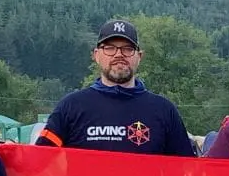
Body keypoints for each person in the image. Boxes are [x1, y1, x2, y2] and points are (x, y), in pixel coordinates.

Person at [36, 19, 196, 155]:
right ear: (96, 55)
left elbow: (186, 171)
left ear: (139, 56)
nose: (118, 54)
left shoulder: (164, 110)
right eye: (110, 48)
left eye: (127, 49)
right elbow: (39, 161)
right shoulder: (71, 106)